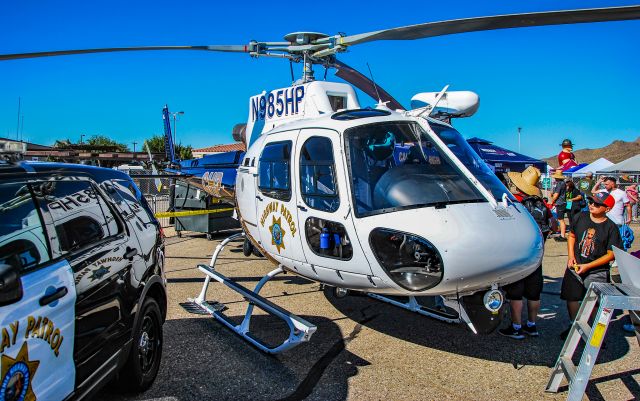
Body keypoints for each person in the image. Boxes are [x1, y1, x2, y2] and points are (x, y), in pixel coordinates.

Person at [559, 191, 622, 339]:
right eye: (591, 201)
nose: (592, 205)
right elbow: (572, 236)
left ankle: (591, 333)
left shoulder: (611, 227)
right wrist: (571, 256)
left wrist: (589, 266)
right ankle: (574, 326)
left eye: (597, 204)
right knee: (572, 297)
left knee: (592, 302)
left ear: (607, 208)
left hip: (597, 271)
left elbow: (611, 254)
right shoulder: (580, 216)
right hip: (575, 266)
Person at [499, 166, 551, 339]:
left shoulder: (516, 204)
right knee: (534, 293)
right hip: (537, 255)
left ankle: (516, 327)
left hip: (519, 255)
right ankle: (532, 324)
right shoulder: (542, 205)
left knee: (516, 294)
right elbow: (554, 225)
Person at [550, 170, 568, 241]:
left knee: (561, 220)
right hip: (562, 202)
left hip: (560, 203)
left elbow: (556, 195)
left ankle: (562, 235)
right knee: (561, 219)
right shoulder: (563, 183)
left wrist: (552, 201)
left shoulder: (559, 184)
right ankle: (562, 234)